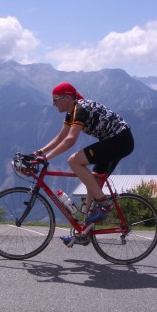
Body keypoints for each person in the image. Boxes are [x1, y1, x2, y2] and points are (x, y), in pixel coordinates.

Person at [32, 82, 134, 246]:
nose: (53, 104)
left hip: (119, 140)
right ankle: (83, 233)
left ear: (67, 97)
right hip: (114, 141)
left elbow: (70, 140)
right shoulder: (71, 112)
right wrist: (40, 153)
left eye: (56, 99)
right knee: (92, 182)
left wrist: (47, 158)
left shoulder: (80, 109)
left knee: (74, 160)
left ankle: (104, 204)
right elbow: (61, 137)